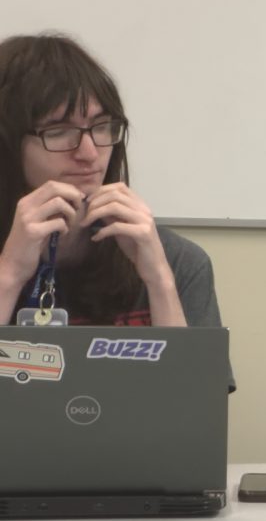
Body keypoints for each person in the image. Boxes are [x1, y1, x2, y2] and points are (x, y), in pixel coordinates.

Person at [0, 33, 222, 328]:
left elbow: (197, 376)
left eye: (102, 127)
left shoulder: (176, 260)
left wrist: (159, 280)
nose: (90, 153)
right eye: (57, 131)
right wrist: (9, 274)